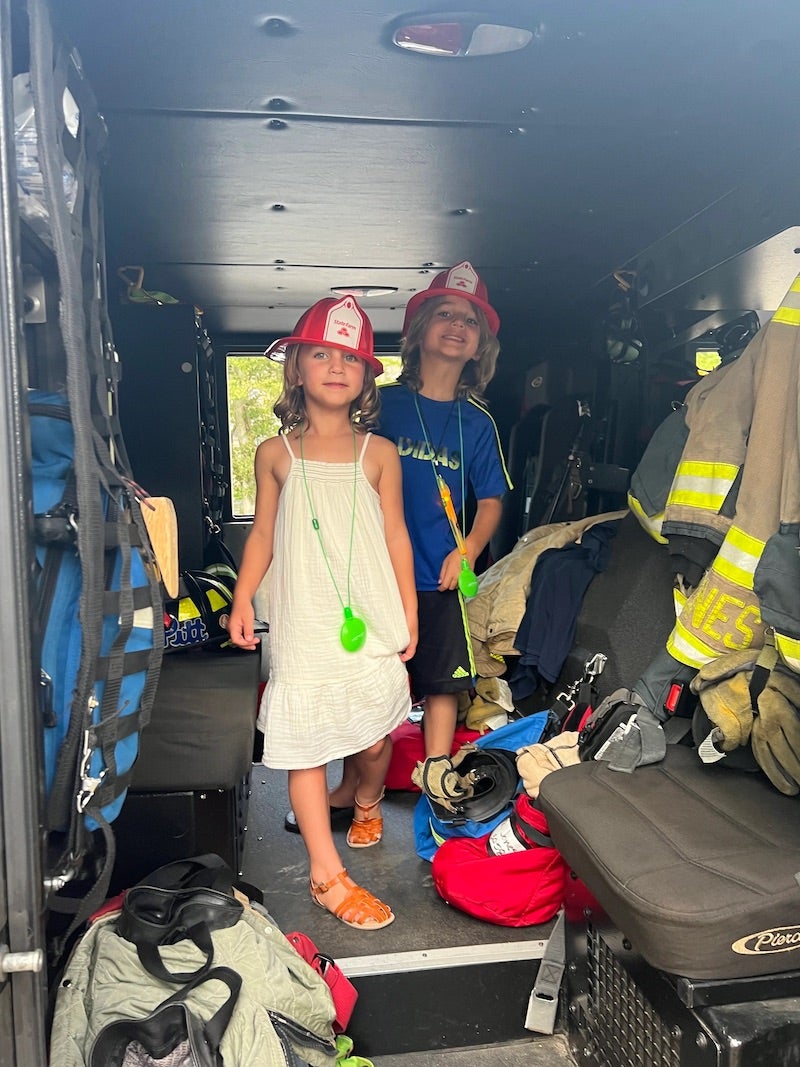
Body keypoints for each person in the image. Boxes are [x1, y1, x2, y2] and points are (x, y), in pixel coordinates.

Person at [227, 295, 417, 931]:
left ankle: (366, 796)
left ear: (365, 376)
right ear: (298, 369)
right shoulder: (274, 453)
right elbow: (261, 535)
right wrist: (242, 597)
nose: (336, 367)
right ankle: (325, 873)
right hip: (303, 617)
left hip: (369, 611)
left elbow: (396, 535)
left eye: (350, 358)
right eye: (321, 354)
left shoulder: (380, 453)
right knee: (304, 739)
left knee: (373, 735)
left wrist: (409, 610)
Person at [319, 263, 510, 816]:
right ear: (419, 330)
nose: (457, 325)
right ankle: (351, 787)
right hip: (373, 574)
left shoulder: (477, 424)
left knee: (442, 685)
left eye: (469, 321)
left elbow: (492, 501)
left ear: (480, 346)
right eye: (445, 314)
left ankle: (438, 788)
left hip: (439, 576)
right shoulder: (379, 405)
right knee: (366, 684)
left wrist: (468, 548)